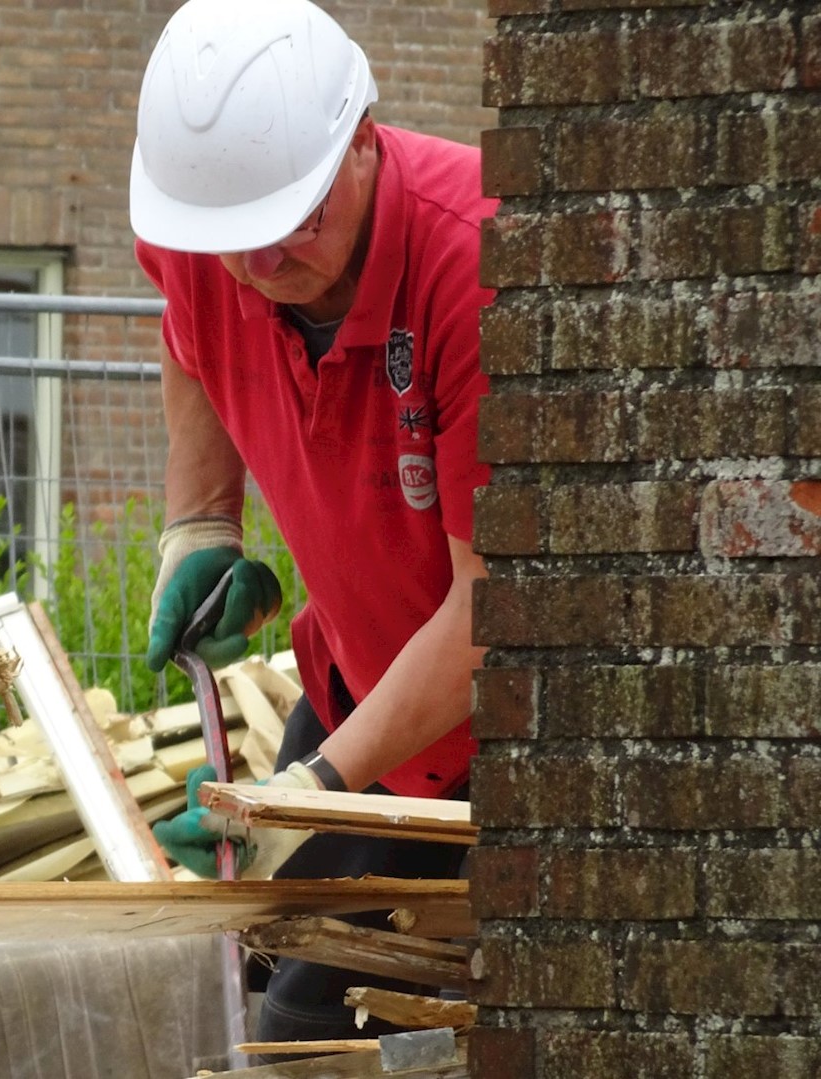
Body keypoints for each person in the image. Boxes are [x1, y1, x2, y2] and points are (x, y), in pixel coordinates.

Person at [127, 0, 495, 1055]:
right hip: (354, 681)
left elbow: (491, 613)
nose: (265, 260)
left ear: (364, 140)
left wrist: (310, 792)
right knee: (254, 985)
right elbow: (187, 333)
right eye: (234, 241)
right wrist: (199, 522)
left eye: (297, 221)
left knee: (309, 1026)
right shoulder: (207, 229)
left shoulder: (477, 264)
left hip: (481, 739)